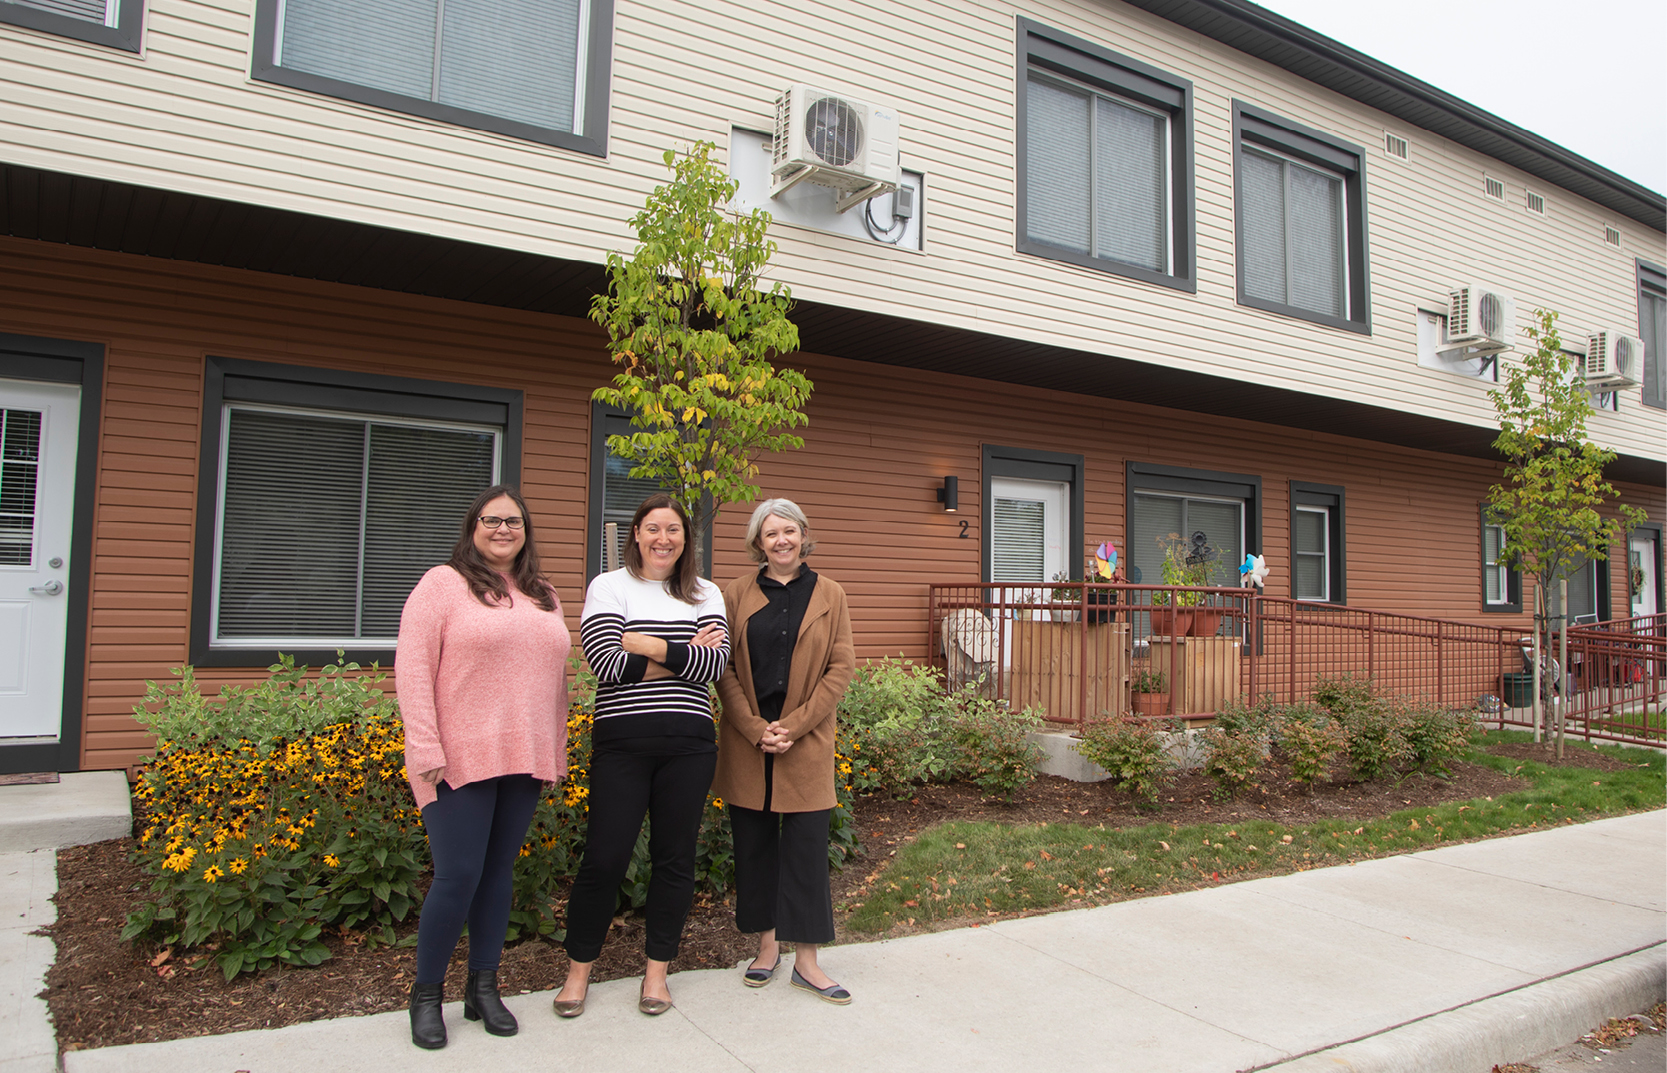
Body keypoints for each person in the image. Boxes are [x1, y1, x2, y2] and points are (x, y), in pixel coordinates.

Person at [397, 485, 571, 1050]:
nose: (503, 530)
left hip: (524, 756)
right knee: (457, 876)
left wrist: (555, 748)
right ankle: (426, 996)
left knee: (498, 874)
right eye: (492, 520)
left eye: (514, 522)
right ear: (473, 527)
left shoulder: (543, 593)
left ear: (526, 531)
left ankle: (483, 987)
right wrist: (424, 750)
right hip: (457, 757)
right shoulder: (441, 584)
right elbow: (413, 670)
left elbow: (556, 681)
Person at [554, 493, 730, 1017]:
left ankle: (657, 976)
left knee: (674, 860)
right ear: (636, 533)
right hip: (622, 744)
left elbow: (715, 666)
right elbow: (605, 663)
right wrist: (683, 652)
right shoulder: (608, 586)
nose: (663, 538)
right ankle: (578, 973)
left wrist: (648, 645)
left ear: (686, 538)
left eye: (673, 529)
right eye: (653, 528)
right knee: (604, 858)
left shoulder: (705, 591)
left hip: (690, 745)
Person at [713, 498, 856, 1003]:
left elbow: (840, 669)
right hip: (748, 743)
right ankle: (767, 947)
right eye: (770, 533)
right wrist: (754, 728)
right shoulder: (735, 593)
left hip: (807, 742)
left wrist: (793, 726)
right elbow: (723, 667)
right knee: (753, 849)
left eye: (789, 531)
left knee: (806, 852)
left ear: (803, 535)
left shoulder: (831, 594)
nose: (781, 541)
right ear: (758, 542)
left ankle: (808, 962)